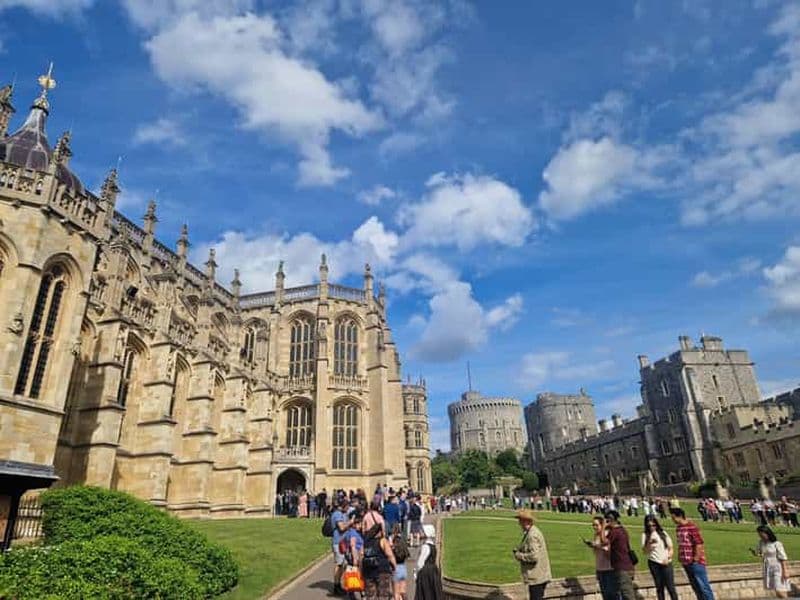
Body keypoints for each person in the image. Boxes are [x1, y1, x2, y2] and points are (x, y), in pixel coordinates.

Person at [670, 508, 715, 600]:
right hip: (685, 561)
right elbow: (681, 544)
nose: (672, 520)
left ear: (679, 516)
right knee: (696, 587)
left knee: (703, 586)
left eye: (673, 517)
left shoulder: (692, 527)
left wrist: (696, 558)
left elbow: (699, 543)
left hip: (695, 562)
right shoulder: (678, 528)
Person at [512, 509, 552, 600]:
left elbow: (534, 556)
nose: (519, 523)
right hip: (540, 575)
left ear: (526, 521)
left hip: (537, 576)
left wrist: (519, 556)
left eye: (520, 520)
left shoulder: (532, 535)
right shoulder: (532, 532)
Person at [642, 515, 678, 600]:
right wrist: (649, 543)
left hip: (666, 563)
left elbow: (671, 548)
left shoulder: (663, 533)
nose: (652, 527)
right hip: (654, 563)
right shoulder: (645, 535)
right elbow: (645, 552)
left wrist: (668, 558)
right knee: (659, 587)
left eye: (653, 525)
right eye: (649, 526)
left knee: (670, 587)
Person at [752, 525, 791, 598]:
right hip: (768, 567)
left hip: (778, 568)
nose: (760, 536)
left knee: (780, 589)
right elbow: (760, 553)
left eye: (761, 534)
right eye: (759, 535)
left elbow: (783, 558)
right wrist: (755, 553)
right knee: (776, 590)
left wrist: (785, 571)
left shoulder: (777, 544)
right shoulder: (761, 543)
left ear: (767, 533)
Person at [604, 510, 636, 600]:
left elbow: (604, 542)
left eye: (607, 520)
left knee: (627, 594)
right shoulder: (622, 529)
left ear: (610, 520)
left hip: (621, 567)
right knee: (625, 593)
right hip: (627, 565)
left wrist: (603, 527)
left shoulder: (615, 531)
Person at [362, 522, 396, 600]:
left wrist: (361, 570)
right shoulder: (382, 541)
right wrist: (394, 566)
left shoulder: (366, 542)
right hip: (382, 570)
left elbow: (361, 556)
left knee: (370, 595)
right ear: (380, 532)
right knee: (383, 594)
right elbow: (390, 555)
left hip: (368, 570)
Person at [584, 515, 615, 600]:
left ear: (602, 525)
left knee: (611, 594)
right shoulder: (596, 535)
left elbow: (609, 551)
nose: (594, 527)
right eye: (593, 525)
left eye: (596, 525)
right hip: (600, 568)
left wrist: (597, 546)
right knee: (605, 594)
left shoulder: (607, 534)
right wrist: (592, 545)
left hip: (609, 568)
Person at [415, 524, 442, 600]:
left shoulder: (425, 546)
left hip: (426, 572)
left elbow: (420, 563)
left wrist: (416, 574)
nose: (420, 532)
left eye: (422, 531)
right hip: (433, 571)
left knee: (425, 593)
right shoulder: (433, 546)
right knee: (432, 592)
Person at [332, 499, 351, 596]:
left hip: (344, 542)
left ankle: (339, 584)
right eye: (347, 506)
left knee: (343, 564)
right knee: (339, 564)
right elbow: (341, 527)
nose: (348, 508)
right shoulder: (337, 514)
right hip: (338, 543)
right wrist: (350, 522)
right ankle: (336, 586)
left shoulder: (344, 514)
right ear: (343, 506)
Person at [390, 523, 409, 600]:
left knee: (396, 593)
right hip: (403, 568)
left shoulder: (393, 543)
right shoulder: (403, 542)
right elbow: (407, 554)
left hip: (395, 568)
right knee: (403, 591)